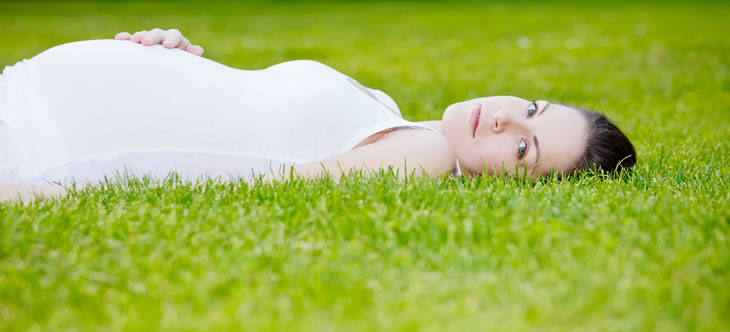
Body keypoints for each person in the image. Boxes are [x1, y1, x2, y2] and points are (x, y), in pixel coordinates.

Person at [0, 28, 635, 201]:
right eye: (529, 108)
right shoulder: (401, 122)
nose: (503, 121)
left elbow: (245, 184)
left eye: (524, 148)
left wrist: (47, 193)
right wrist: (177, 59)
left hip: (38, 135)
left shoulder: (427, 156)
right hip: (40, 100)